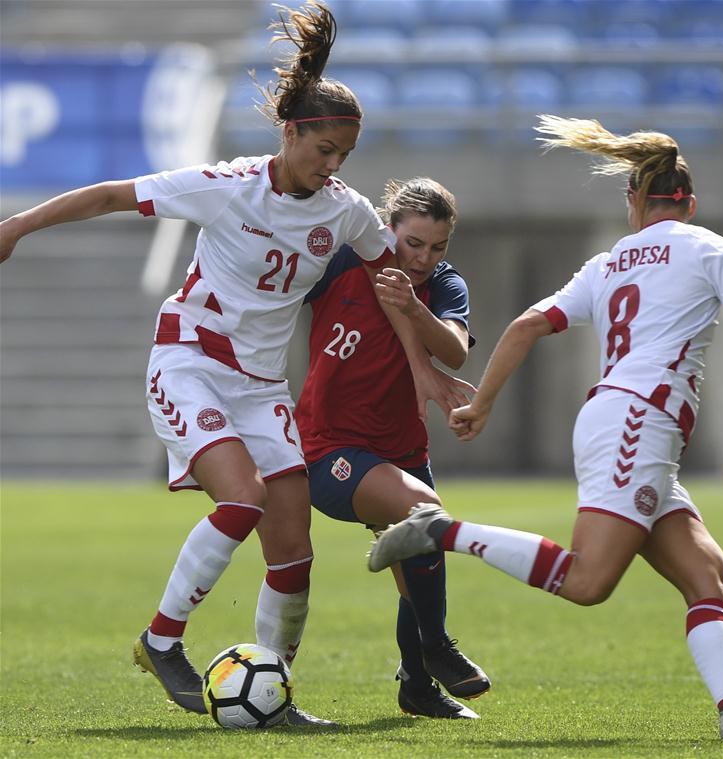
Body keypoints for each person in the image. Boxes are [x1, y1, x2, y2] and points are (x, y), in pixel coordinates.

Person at [0, 1, 462, 728]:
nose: (334, 165)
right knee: (241, 496)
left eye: (344, 153)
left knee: (293, 548)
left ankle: (273, 692)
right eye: (324, 149)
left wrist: (426, 371)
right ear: (291, 132)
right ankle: (162, 641)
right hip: (188, 361)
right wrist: (19, 225)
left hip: (257, 384)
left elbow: (394, 295)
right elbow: (113, 194)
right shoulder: (227, 185)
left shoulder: (347, 213)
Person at [367, 115, 723, 740]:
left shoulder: (609, 262)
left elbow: (527, 324)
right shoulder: (708, 247)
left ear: (634, 201)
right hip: (638, 423)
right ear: (689, 204)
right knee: (588, 582)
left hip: (630, 426)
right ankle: (442, 532)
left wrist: (483, 404)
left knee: (709, 576)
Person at [296, 177, 488, 719]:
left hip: (404, 450)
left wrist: (414, 304)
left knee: (419, 563)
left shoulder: (445, 285)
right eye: (413, 244)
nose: (425, 257)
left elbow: (453, 349)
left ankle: (417, 687)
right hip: (329, 449)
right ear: (388, 230)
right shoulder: (339, 265)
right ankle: (437, 649)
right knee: (425, 516)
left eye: (437, 247)